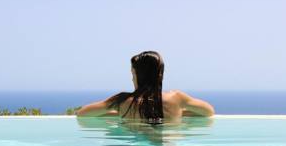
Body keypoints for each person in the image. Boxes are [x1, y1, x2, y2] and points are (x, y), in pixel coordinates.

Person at [76, 51, 214, 123]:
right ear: (160, 75)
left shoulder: (122, 101)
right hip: (168, 145)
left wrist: (119, 113)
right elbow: (208, 112)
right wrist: (178, 113)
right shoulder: (177, 98)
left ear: (136, 75)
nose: (131, 77)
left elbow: (82, 113)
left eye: (132, 73)